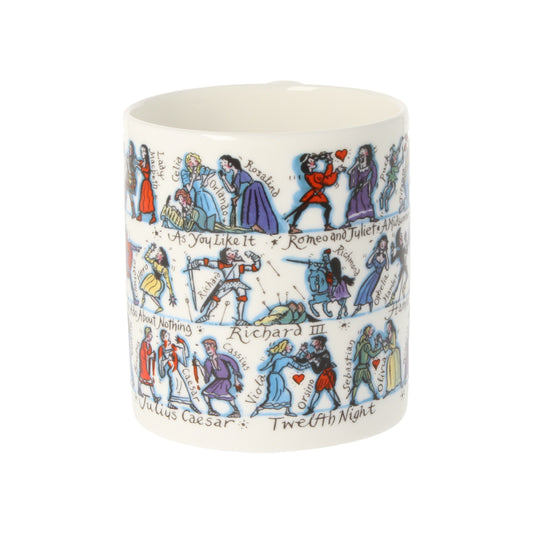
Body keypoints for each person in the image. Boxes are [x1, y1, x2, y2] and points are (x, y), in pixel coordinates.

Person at [190, 248, 261, 325]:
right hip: (227, 283)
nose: (233, 253)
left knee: (242, 297)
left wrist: (253, 256)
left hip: (237, 282)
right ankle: (207, 315)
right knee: (216, 297)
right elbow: (209, 263)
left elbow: (255, 267)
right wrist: (198, 262)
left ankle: (240, 320)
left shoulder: (238, 265)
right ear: (226, 257)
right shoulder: (222, 265)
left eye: (232, 252)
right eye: (229, 253)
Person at [218, 155, 278, 234]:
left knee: (252, 211)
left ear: (230, 163)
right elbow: (233, 190)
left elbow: (233, 189)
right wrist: (224, 179)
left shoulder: (239, 174)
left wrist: (224, 179)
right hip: (250, 192)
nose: (223, 167)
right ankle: (253, 225)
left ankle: (254, 225)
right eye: (221, 165)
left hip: (253, 191)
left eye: (224, 164)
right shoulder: (236, 174)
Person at [287, 152, 343, 233]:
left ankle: (292, 227)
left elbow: (325, 177)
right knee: (327, 208)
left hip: (314, 193)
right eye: (311, 160)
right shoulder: (316, 175)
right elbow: (328, 181)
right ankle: (327, 226)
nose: (314, 161)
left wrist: (330, 164)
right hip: (316, 194)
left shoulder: (309, 175)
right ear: (308, 165)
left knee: (301, 208)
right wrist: (336, 172)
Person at [251, 340, 310, 417]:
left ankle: (287, 411)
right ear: (284, 347)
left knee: (285, 393)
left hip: (274, 376)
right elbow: (299, 366)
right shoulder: (283, 357)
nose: (291, 347)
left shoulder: (281, 356)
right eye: (289, 346)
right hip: (275, 377)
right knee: (273, 396)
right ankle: (258, 409)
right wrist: (309, 364)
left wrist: (301, 351)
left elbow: (294, 361)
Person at [194, 339, 243, 417]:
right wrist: (199, 365)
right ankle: (210, 410)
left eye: (210, 347)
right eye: (206, 347)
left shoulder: (221, 357)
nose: (208, 350)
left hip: (225, 381)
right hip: (217, 381)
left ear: (215, 348)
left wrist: (236, 380)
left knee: (224, 394)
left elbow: (233, 363)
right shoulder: (208, 361)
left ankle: (236, 411)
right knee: (205, 393)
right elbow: (207, 374)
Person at [157, 330, 200, 412]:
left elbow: (183, 353)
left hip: (176, 368)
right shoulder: (162, 348)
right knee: (175, 385)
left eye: (167, 335)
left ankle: (188, 403)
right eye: (166, 336)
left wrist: (183, 343)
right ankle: (172, 403)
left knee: (181, 385)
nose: (168, 336)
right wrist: (168, 359)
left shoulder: (172, 346)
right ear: (163, 338)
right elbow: (160, 362)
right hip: (172, 369)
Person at [298, 336, 341, 414]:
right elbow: (302, 361)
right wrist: (300, 352)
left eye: (314, 341)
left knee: (320, 390)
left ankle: (311, 408)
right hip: (325, 374)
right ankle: (336, 403)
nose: (312, 343)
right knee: (328, 390)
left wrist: (311, 360)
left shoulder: (325, 354)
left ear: (319, 342)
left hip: (327, 374)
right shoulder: (315, 352)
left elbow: (317, 370)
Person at [353, 235, 389, 315]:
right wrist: (374, 253)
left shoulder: (385, 257)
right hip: (373, 276)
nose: (382, 244)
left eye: (384, 243)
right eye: (381, 243)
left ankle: (370, 310)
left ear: (386, 245)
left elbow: (387, 268)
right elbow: (368, 265)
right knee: (363, 289)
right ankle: (360, 306)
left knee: (369, 292)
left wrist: (386, 255)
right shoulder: (376, 255)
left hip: (377, 277)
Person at [343, 144, 378, 226]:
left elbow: (374, 174)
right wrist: (356, 164)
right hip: (358, 187)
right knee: (353, 202)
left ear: (367, 153)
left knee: (366, 201)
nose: (360, 152)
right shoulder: (358, 163)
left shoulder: (370, 163)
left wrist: (371, 184)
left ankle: (372, 217)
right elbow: (349, 172)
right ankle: (348, 221)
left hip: (365, 186)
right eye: (360, 151)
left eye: (363, 150)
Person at [181, 153, 222, 223]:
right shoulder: (185, 172)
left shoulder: (201, 169)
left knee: (209, 211)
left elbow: (213, 172)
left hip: (203, 195)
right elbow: (189, 189)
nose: (194, 164)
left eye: (195, 161)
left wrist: (206, 179)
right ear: (188, 163)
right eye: (191, 162)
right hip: (193, 196)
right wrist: (192, 179)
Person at [139, 244, 177, 313]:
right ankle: (142, 302)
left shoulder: (164, 269)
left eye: (159, 253)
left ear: (162, 256)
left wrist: (171, 294)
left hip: (157, 283)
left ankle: (159, 307)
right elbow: (146, 257)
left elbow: (168, 281)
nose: (157, 254)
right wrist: (150, 249)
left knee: (151, 295)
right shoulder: (154, 262)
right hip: (151, 278)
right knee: (144, 291)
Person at [351, 325, 383, 405]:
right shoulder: (366, 345)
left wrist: (376, 345)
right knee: (366, 382)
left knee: (361, 384)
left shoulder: (362, 343)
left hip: (361, 367)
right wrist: (381, 349)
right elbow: (372, 354)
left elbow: (370, 354)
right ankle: (353, 400)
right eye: (371, 331)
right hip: (363, 368)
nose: (372, 333)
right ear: (368, 332)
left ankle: (374, 395)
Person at [379, 138, 404, 213]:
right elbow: (401, 160)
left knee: (389, 186)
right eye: (395, 157)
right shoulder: (393, 165)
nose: (396, 158)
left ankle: (384, 197)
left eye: (396, 157)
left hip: (391, 178)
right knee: (391, 186)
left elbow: (399, 151)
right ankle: (385, 198)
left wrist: (401, 142)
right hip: (392, 177)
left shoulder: (394, 162)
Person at [137, 326, 161, 403]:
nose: (151, 336)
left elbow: (149, 353)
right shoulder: (144, 344)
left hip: (147, 366)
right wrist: (150, 355)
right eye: (150, 334)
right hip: (144, 365)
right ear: (147, 335)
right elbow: (144, 355)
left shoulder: (148, 344)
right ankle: (154, 397)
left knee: (142, 378)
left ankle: (139, 390)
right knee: (148, 380)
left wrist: (152, 355)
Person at [386, 229, 409, 306]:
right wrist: (392, 252)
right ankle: (392, 299)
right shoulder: (399, 251)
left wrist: (406, 241)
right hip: (402, 267)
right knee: (398, 283)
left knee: (406, 277)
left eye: (401, 237)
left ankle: (403, 290)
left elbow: (406, 251)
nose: (401, 239)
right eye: (400, 238)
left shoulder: (403, 248)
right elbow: (392, 261)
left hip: (405, 266)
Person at [136, 144, 157, 224]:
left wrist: (139, 166)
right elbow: (139, 163)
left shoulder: (147, 163)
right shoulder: (143, 162)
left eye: (144, 151)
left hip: (147, 183)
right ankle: (140, 215)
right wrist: (136, 162)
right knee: (143, 199)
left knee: (149, 199)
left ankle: (153, 216)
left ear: (147, 152)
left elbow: (145, 169)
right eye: (141, 151)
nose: (142, 153)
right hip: (144, 183)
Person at [383, 320, 402, 397]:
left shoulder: (392, 334)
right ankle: (390, 387)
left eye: (387, 326)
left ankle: (397, 384)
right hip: (392, 353)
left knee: (394, 370)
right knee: (391, 370)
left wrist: (387, 344)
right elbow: (386, 348)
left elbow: (393, 345)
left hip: (395, 353)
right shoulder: (389, 335)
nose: (387, 328)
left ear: (390, 326)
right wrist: (383, 344)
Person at [126, 236, 141, 305]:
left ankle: (135, 300)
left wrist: (138, 248)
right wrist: (138, 249)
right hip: (129, 267)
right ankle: (135, 300)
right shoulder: (129, 244)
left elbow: (135, 248)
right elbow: (135, 248)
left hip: (130, 266)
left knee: (131, 282)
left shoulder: (129, 244)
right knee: (131, 282)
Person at [125, 140, 137, 218]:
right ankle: (130, 212)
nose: (130, 150)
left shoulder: (133, 157)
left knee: (131, 195)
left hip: (131, 178)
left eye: (131, 148)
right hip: (127, 177)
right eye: (129, 148)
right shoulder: (127, 156)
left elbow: (133, 169)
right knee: (126, 194)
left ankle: (133, 212)